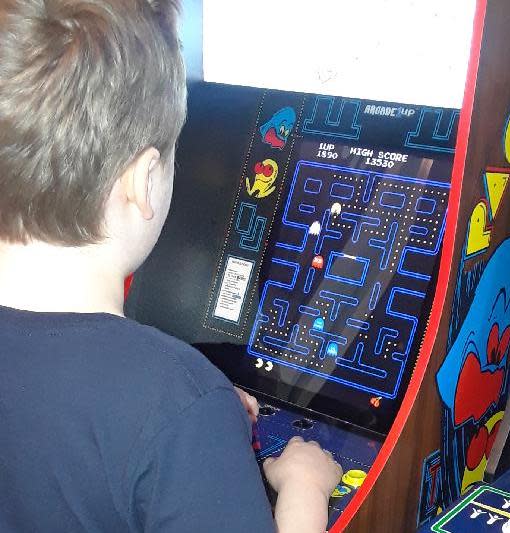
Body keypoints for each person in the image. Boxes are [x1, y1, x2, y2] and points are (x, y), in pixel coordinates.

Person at [0, 1, 342, 532]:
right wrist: (305, 488)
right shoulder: (176, 403)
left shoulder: (174, 403)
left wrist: (192, 421)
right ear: (143, 179)